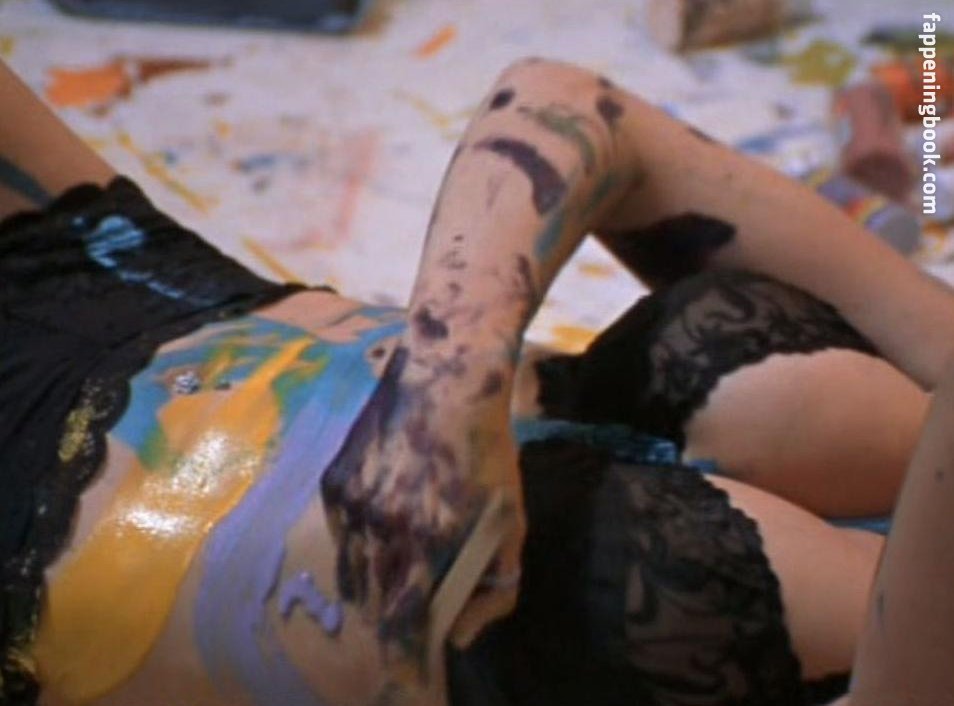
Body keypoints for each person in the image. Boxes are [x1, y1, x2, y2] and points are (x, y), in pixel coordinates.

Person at [0, 56, 951, 706]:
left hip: (504, 495)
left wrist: (451, 374)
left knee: (741, 388)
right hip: (432, 618)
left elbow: (567, 105)